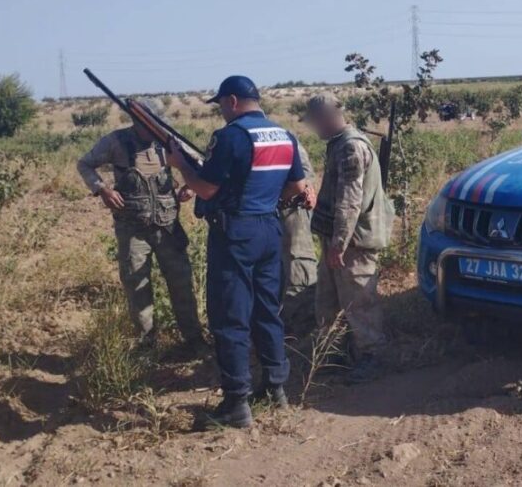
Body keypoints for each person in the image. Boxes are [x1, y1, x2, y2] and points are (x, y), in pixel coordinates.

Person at [166, 76, 310, 429]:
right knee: (267, 311)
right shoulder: (284, 135)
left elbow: (206, 188)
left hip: (235, 234)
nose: (221, 111)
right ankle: (276, 388)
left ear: (231, 101)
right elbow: (295, 186)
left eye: (220, 105)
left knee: (229, 316)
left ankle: (235, 403)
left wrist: (180, 163)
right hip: (269, 229)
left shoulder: (229, 136)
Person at [75, 98, 204, 353]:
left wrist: (190, 186)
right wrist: (102, 190)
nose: (154, 129)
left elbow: (197, 165)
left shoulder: (170, 142)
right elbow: (84, 164)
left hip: (168, 228)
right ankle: (147, 346)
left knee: (181, 284)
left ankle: (194, 340)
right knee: (136, 287)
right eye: (149, 124)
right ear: (137, 122)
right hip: (132, 229)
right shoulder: (116, 142)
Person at [302, 92, 395, 382]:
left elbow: (349, 201)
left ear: (326, 117)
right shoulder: (340, 144)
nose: (314, 128)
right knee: (328, 301)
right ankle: (338, 355)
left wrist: (339, 244)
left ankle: (374, 358)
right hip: (340, 240)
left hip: (353, 243)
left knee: (360, 303)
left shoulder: (350, 148)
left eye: (315, 122)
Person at [279, 141, 319, 332]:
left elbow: (305, 177)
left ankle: (303, 326)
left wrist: (306, 188)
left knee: (299, 269)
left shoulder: (287, 141)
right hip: (264, 218)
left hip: (292, 211)